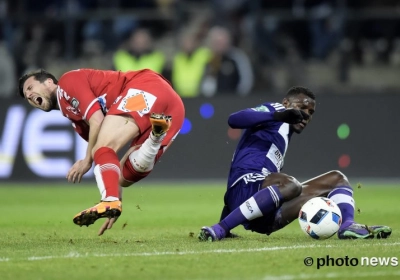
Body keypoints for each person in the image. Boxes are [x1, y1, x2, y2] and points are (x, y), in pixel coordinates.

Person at [198, 86, 392, 241]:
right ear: (286, 103)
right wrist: (279, 115)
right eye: (301, 107)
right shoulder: (275, 110)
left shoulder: (285, 135)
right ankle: (220, 228)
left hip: (266, 217)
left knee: (337, 179)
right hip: (245, 186)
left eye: (311, 112)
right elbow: (234, 119)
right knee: (290, 185)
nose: (306, 115)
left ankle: (347, 225)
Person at [19, 68, 185, 235]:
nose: (29, 96)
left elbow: (97, 120)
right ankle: (154, 139)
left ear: (48, 82)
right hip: (172, 107)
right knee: (124, 176)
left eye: (30, 88)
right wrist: (115, 203)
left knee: (101, 148)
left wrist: (87, 161)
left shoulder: (67, 83)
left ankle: (109, 199)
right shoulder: (75, 119)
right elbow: (108, 157)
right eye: (26, 96)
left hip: (145, 88)